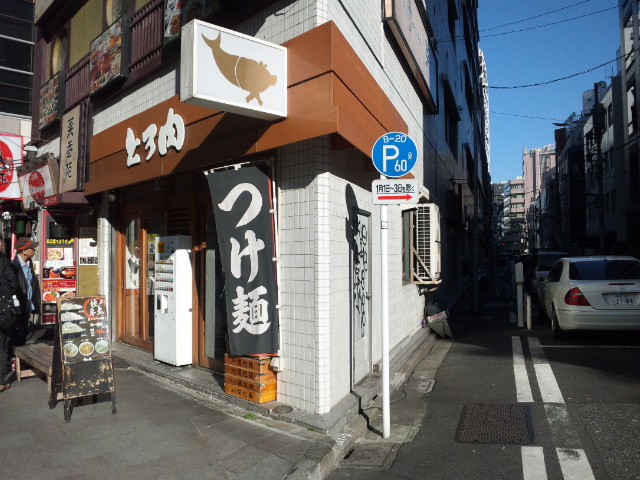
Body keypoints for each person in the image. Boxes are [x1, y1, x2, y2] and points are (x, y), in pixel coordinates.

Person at [11, 237, 41, 348]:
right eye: (32, 248)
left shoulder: (29, 264)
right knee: (16, 334)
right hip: (18, 306)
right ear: (24, 251)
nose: (34, 250)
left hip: (27, 305)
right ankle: (14, 359)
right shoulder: (13, 266)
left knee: (24, 333)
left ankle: (20, 359)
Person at [0, 243, 18, 392]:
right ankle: (0, 381)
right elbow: (13, 284)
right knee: (2, 345)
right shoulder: (3, 261)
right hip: (2, 311)